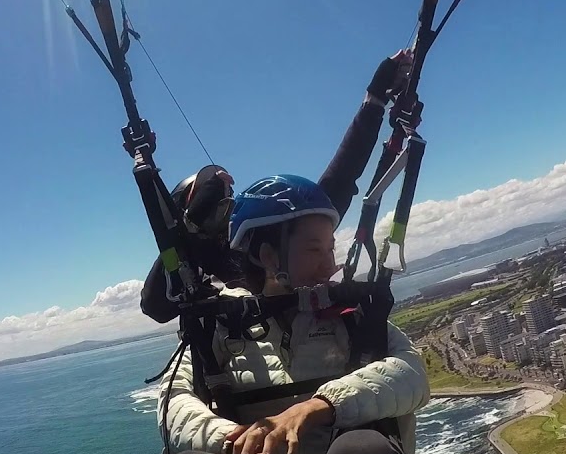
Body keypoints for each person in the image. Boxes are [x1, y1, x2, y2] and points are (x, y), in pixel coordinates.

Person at [151, 175, 431, 454]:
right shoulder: (219, 326)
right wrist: (241, 449)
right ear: (268, 256)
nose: (330, 264)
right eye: (315, 250)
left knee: (364, 453)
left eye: (331, 249)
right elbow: (174, 402)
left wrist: (318, 406)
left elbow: (412, 373)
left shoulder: (351, 319)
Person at [139, 50, 414, 323]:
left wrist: (375, 101)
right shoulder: (225, 292)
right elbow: (156, 306)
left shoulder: (275, 242)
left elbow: (340, 179)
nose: (329, 267)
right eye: (215, 213)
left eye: (228, 207)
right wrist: (186, 231)